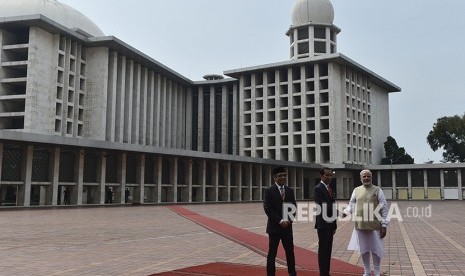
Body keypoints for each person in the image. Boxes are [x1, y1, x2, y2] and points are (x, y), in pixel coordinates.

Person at [341, 169, 388, 276]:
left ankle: (376, 272)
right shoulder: (356, 190)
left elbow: (384, 208)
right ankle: (367, 271)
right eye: (364, 177)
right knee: (364, 249)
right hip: (360, 225)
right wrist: (346, 212)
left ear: (371, 177)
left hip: (375, 225)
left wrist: (384, 225)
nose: (366, 178)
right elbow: (351, 204)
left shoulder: (378, 190)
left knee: (376, 250)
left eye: (368, 176)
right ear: (361, 178)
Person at [263, 166, 297, 276]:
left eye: (284, 175)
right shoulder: (269, 191)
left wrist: (289, 220)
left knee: (290, 253)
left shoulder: (289, 190)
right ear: (274, 177)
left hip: (287, 228)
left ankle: (292, 273)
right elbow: (268, 208)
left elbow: (293, 207)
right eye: (280, 176)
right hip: (274, 228)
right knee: (272, 253)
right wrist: (280, 220)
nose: (283, 177)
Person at [314, 168, 337, 276]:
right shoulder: (318, 188)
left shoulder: (328, 188)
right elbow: (323, 206)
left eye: (330, 175)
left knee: (328, 250)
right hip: (323, 224)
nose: (329, 177)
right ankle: (323, 273)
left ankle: (326, 272)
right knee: (323, 250)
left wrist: (334, 224)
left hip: (330, 224)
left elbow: (332, 204)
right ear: (322, 176)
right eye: (327, 175)